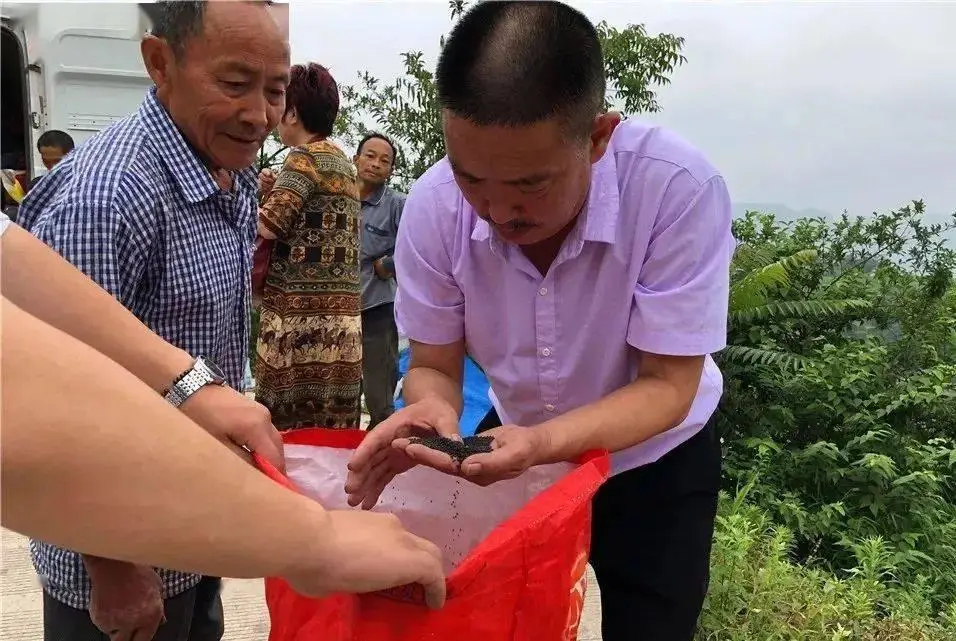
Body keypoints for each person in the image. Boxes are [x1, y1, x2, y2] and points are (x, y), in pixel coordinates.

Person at [344, 3, 734, 640]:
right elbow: (437, 364)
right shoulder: (437, 207)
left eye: (530, 184)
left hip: (657, 455)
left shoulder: (676, 188)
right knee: (505, 619)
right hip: (517, 446)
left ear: (598, 137)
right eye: (473, 178)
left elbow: (668, 385)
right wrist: (435, 414)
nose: (498, 211)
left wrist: (543, 445)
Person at [0, 211, 447, 613]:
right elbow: (22, 406)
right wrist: (310, 540)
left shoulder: (230, 186)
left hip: (197, 548)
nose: (261, 117)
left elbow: (12, 259)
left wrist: (191, 387)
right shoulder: (108, 194)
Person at [16, 2, 289, 640]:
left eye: (275, 90)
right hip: (120, 560)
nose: (259, 114)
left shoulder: (230, 169)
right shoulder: (107, 196)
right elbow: (61, 397)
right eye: (234, 83)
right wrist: (113, 567)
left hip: (193, 533)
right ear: (159, 62)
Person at [254, 62, 363, 430]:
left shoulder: (302, 158)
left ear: (294, 112)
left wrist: (256, 198)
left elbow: (269, 226)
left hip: (299, 322)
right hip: (342, 323)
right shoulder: (345, 163)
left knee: (286, 432)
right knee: (330, 433)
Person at [354, 132, 406, 429]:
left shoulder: (398, 204)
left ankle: (384, 453)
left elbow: (418, 249)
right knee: (341, 391)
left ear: (391, 170)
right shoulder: (339, 197)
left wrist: (389, 264)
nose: (375, 164)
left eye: (384, 161)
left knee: (379, 393)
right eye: (370, 156)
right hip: (339, 312)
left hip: (377, 309)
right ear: (356, 159)